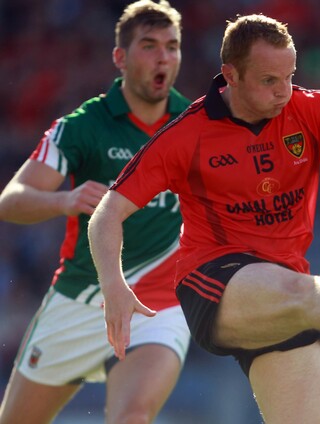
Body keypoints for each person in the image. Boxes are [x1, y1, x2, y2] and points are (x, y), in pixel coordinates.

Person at [87, 13, 320, 424]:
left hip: (288, 293)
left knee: (302, 301)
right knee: (304, 293)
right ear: (231, 76)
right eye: (269, 80)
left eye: (289, 76)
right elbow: (107, 213)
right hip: (215, 280)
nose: (283, 91)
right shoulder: (186, 136)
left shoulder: (311, 109)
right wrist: (113, 284)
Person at [0, 1, 192, 423]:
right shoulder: (82, 126)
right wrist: (64, 200)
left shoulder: (197, 126)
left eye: (172, 46)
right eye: (149, 46)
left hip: (157, 308)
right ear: (120, 57)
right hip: (80, 300)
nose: (163, 57)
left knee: (132, 416)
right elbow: (10, 200)